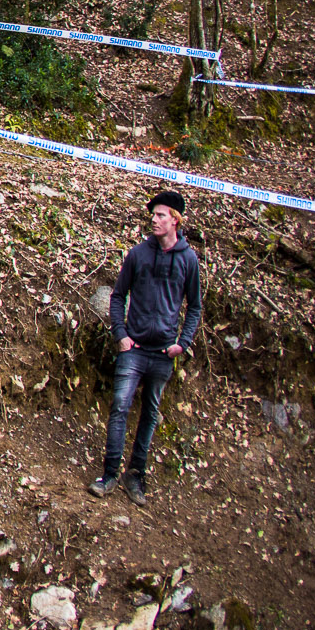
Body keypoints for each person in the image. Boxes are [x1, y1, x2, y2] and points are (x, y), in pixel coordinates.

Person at [89, 191, 204, 506]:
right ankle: (109, 474)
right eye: (153, 215)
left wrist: (183, 343)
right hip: (134, 348)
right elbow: (118, 296)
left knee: (150, 413)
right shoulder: (138, 254)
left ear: (175, 220)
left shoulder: (188, 260)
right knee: (120, 406)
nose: (154, 219)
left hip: (164, 353)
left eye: (160, 215)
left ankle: (135, 475)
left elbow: (194, 306)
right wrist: (121, 334)